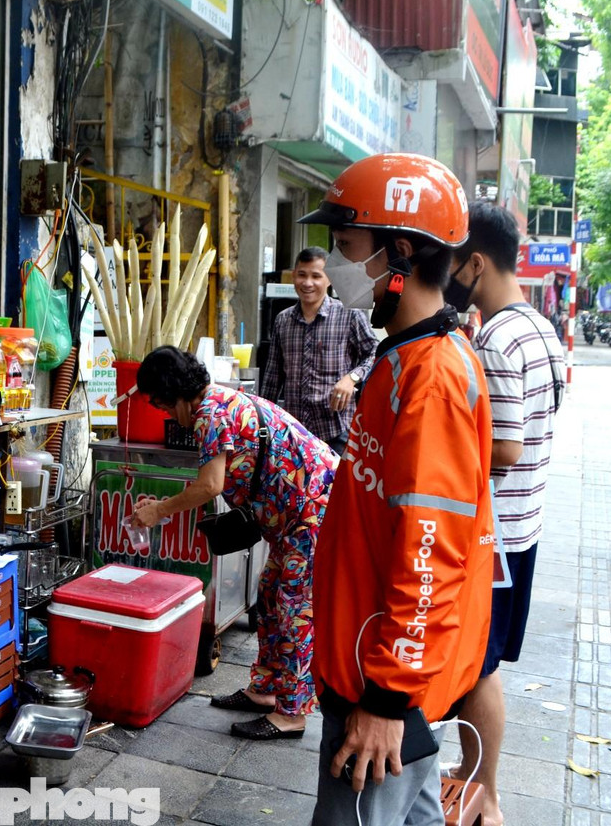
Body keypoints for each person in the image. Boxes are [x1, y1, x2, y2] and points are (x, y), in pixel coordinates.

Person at [298, 153, 495, 826]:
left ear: (399, 253)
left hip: (381, 693)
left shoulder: (432, 376)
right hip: (377, 676)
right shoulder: (402, 356)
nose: (335, 266)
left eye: (348, 247)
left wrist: (386, 700)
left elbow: (431, 550)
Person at [130, 345, 335, 741]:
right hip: (295, 514)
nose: (166, 414)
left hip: (314, 511)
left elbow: (210, 485)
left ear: (175, 393)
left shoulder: (210, 414)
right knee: (270, 594)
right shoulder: (215, 402)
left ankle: (291, 711)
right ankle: (264, 691)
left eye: (162, 404)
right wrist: (162, 505)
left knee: (293, 606)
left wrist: (159, 511)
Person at [442, 202, 565, 826]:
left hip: (497, 538)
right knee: (481, 667)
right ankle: (474, 780)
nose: (450, 277)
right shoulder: (539, 327)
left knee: (478, 670)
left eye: (455, 263)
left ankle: (482, 792)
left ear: (476, 263)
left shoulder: (497, 337)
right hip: (526, 528)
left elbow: (506, 449)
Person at [260, 246, 378, 455]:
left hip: (336, 431)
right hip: (293, 433)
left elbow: (375, 352)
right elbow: (272, 376)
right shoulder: (283, 320)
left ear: (329, 279)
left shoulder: (349, 315)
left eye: (316, 276)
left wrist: (351, 378)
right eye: (302, 275)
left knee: (336, 488)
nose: (307, 283)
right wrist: (263, 423)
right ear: (294, 276)